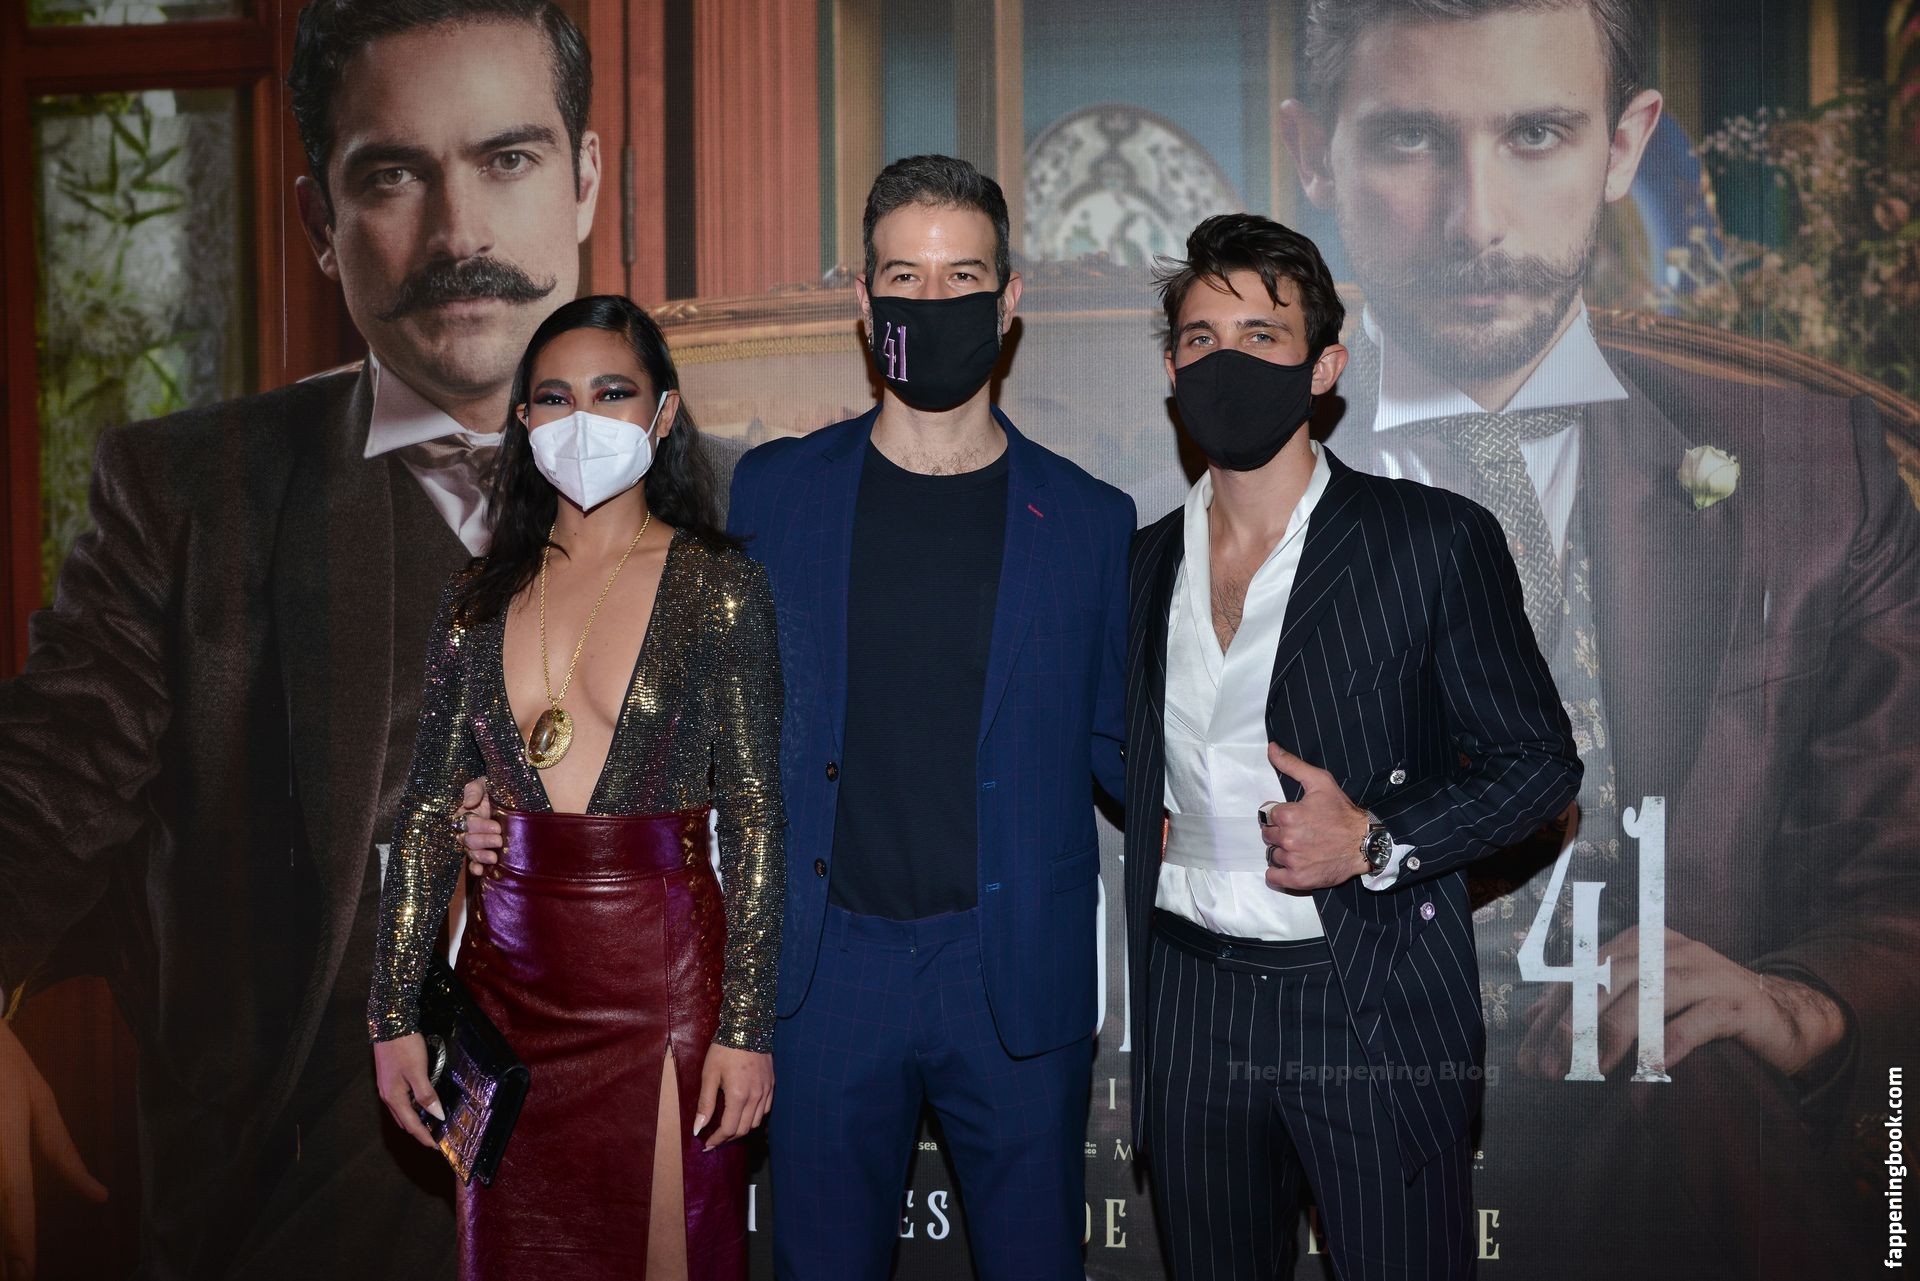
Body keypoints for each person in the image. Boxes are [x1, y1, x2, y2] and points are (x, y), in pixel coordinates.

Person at [1278, 0, 1920, 1274]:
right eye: (1410, 139)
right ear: (1315, 156)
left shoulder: (1813, 481)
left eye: (1536, 135)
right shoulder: (1168, 496)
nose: (1476, 222)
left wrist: (1801, 1002)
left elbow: (1899, 874)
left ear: (1624, 146)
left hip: (1670, 1154)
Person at [0, 2, 641, 1275]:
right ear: (317, 221)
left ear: (582, 181)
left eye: (507, 160)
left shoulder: (743, 500)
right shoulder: (190, 502)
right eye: (394, 176)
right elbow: (38, 795)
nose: (458, 234)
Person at [1123, 212, 1582, 1280]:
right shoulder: (1136, 564)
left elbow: (1539, 767)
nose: (1226, 361)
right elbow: (1111, 743)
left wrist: (1375, 838)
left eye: (1261, 336)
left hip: (1366, 998)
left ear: (1324, 367)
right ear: (1172, 370)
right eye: (1200, 339)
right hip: (1190, 1002)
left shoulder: (1429, 539)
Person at [729, 154, 1132, 1279]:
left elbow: (1129, 747)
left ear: (1009, 301)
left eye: (963, 278)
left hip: (1012, 969)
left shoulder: (1091, 520)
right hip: (827, 973)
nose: (933, 301)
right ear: (864, 302)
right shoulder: (773, 493)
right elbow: (714, 711)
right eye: (905, 277)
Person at [368, 294, 781, 1281]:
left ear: (663, 413)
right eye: (554, 398)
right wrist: (391, 1016)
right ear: (523, 420)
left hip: (661, 994)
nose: (582, 419)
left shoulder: (718, 585)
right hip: (506, 999)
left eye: (612, 392)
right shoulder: (474, 600)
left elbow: (759, 818)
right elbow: (426, 809)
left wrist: (746, 1028)